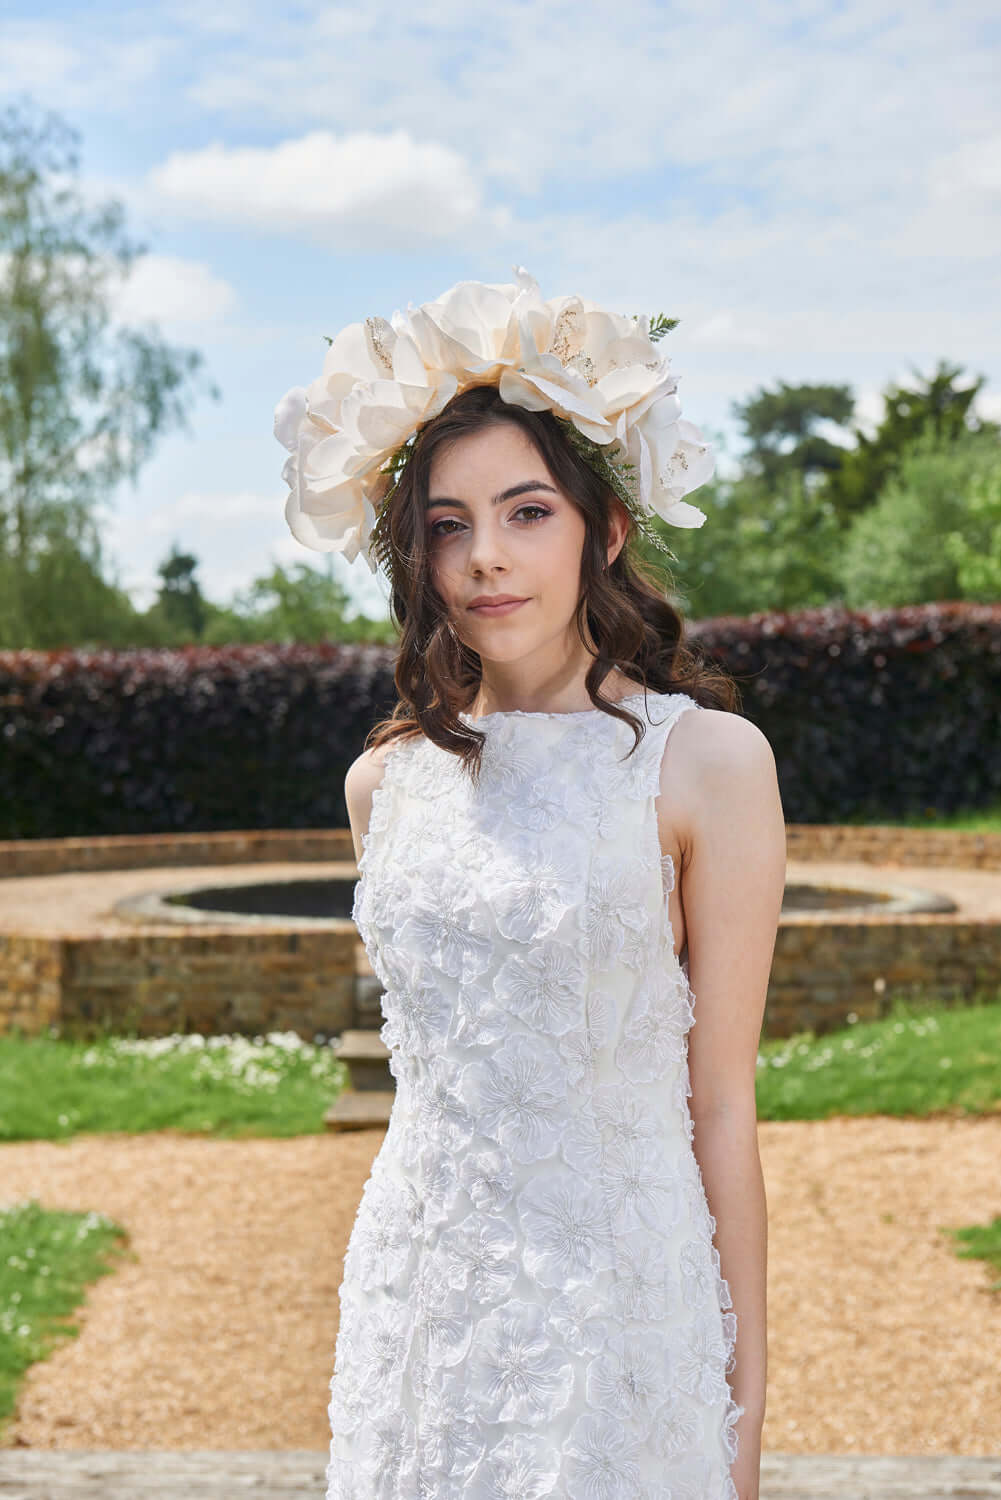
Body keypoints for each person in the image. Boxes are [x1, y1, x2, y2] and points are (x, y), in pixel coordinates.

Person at [276, 270, 786, 1500]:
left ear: (602, 529)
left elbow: (719, 1104)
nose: (483, 559)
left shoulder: (704, 763)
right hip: (421, 1301)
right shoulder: (381, 785)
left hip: (619, 1313)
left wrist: (744, 1403)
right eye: (446, 524)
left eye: (525, 513)